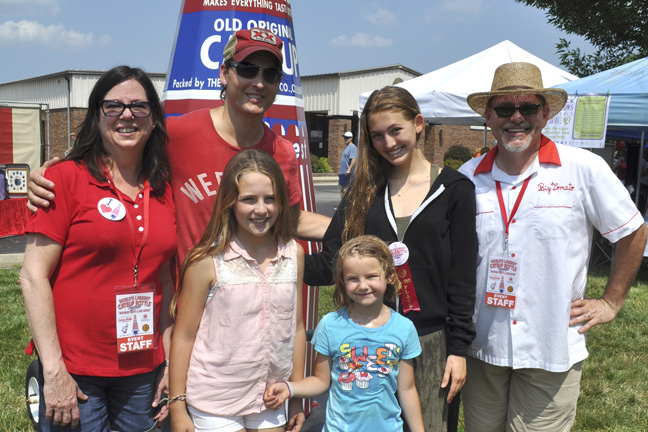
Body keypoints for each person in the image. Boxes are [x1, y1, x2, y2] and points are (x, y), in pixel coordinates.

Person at [27, 27, 330, 269]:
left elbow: (291, 221)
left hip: (246, 306)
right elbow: (117, 154)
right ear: (225, 73)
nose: (259, 82)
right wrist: (53, 174)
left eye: (271, 74)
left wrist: (357, 226)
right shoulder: (176, 134)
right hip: (186, 309)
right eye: (248, 69)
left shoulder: (282, 152)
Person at [458, 62, 648, 432]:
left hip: (551, 345)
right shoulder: (468, 176)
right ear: (488, 115)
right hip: (481, 344)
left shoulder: (582, 168)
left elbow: (632, 231)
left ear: (545, 114)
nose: (517, 118)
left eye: (528, 108)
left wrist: (611, 301)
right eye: (504, 109)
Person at [305, 86, 478, 431]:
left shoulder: (454, 189)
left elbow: (462, 278)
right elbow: (329, 264)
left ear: (417, 123)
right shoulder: (364, 192)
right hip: (368, 341)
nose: (388, 142)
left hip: (430, 341)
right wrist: (270, 255)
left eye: (395, 130)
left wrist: (458, 350)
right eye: (378, 135)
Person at [19, 66, 177, 431]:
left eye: (139, 107)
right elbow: (32, 276)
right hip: (75, 370)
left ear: (153, 119)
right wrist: (53, 368)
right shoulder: (64, 178)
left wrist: (168, 360)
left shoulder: (164, 187)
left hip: (143, 370)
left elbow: (166, 281)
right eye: (113, 107)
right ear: (97, 115)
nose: (126, 115)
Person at [168, 149, 306, 432]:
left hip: (272, 396)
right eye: (248, 199)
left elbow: (298, 328)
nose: (261, 209)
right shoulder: (205, 260)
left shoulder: (295, 254)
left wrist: (295, 394)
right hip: (214, 399)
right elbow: (183, 336)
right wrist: (177, 405)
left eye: (270, 199)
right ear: (230, 202)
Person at [265, 235, 424, 432]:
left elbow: (407, 389)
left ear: (390, 275)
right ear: (342, 280)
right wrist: (290, 389)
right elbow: (321, 381)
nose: (363, 285)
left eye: (371, 276)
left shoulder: (404, 328)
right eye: (353, 279)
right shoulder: (330, 325)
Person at [338, 131, 357, 199]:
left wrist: (349, 169)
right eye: (345, 137)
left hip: (347, 173)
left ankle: (346, 206)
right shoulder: (346, 147)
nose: (345, 139)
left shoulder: (352, 147)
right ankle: (341, 206)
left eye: (347, 138)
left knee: (346, 190)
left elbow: (353, 159)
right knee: (342, 189)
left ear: (351, 138)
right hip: (342, 172)